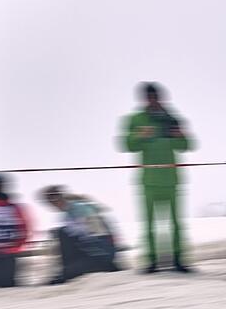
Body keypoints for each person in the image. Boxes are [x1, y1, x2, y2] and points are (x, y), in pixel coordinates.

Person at [120, 82, 194, 273]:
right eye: (149, 97)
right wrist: (140, 135)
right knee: (149, 223)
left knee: (177, 223)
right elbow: (127, 145)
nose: (153, 100)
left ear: (161, 97)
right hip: (149, 181)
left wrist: (179, 135)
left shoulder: (172, 118)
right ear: (144, 99)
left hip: (171, 179)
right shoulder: (135, 119)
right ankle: (151, 261)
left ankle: (179, 259)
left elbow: (187, 145)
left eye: (156, 97)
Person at [40, 186, 120, 285]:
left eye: (52, 202)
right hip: (90, 251)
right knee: (61, 233)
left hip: (100, 252)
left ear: (58, 198)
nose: (53, 206)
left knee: (62, 233)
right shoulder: (67, 214)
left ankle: (104, 266)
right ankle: (68, 270)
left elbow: (92, 234)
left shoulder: (79, 208)